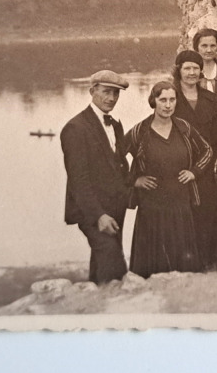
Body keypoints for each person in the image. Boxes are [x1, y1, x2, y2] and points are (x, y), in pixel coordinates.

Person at [125, 80, 214, 277]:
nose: (168, 105)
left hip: (180, 202)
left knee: (183, 266)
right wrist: (135, 181)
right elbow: (114, 160)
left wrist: (194, 172)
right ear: (153, 101)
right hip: (151, 206)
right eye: (163, 100)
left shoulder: (184, 128)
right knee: (151, 267)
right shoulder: (139, 131)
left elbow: (207, 150)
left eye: (172, 100)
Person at [59, 70, 133, 284]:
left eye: (116, 93)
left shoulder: (115, 125)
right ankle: (112, 298)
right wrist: (99, 215)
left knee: (103, 258)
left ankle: (96, 294)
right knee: (112, 258)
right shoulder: (75, 128)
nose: (112, 98)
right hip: (91, 210)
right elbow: (78, 180)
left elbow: (119, 164)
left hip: (115, 205)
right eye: (106, 92)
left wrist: (132, 185)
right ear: (92, 91)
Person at [172, 50, 217, 269]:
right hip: (179, 166)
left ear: (201, 72)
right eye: (187, 68)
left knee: (208, 212)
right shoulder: (170, 98)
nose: (191, 73)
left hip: (208, 166)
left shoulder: (212, 99)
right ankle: (183, 263)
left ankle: (209, 263)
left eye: (195, 68)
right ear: (179, 70)